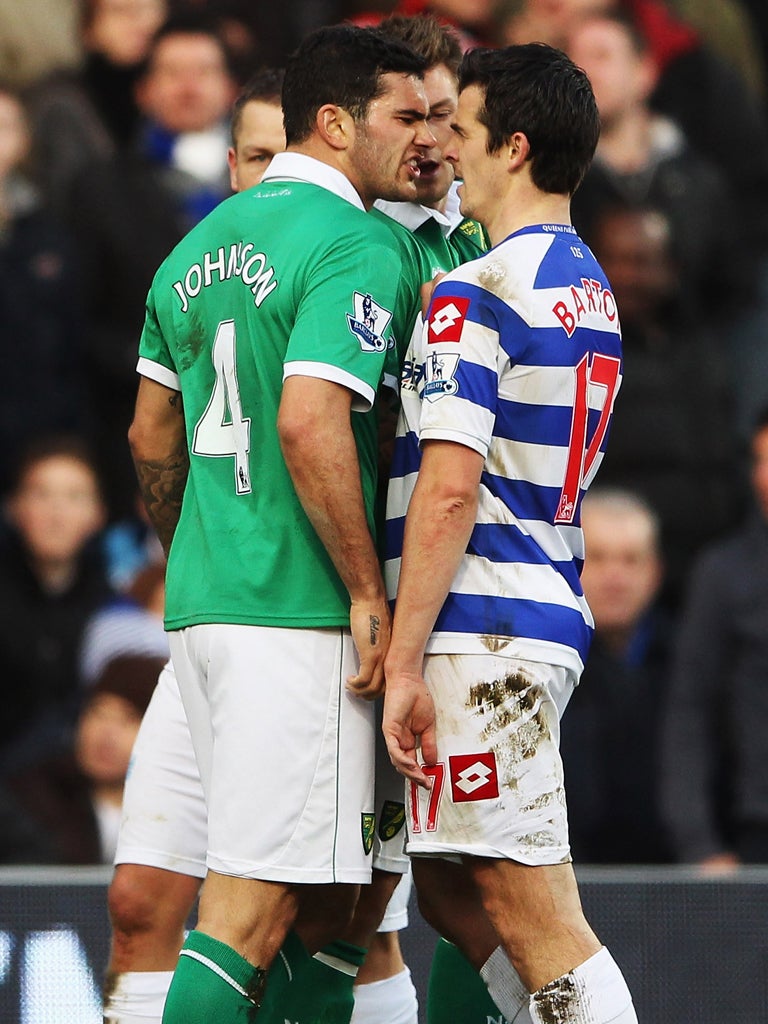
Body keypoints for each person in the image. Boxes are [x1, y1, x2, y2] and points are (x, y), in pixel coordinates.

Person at [127, 23, 433, 1024]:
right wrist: (361, 584)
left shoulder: (193, 245)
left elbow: (149, 431)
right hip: (298, 617)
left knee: (339, 904)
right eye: (404, 115)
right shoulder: (360, 241)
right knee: (251, 912)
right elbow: (310, 417)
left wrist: (193, 546)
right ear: (339, 125)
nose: (422, 138)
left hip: (208, 602)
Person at [382, 42, 637, 1024]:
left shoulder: (475, 289)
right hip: (536, 608)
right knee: (450, 888)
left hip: (480, 628)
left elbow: (448, 490)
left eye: (465, 129)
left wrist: (402, 659)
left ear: (515, 148)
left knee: (537, 908)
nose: (446, 145)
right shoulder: (589, 286)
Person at [66, 14, 239, 522]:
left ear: (230, 86)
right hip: (136, 425)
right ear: (142, 90)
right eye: (171, 72)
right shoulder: (99, 190)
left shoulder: (264, 181)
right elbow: (80, 322)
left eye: (202, 70)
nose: (188, 86)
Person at [660, 406, 768, 869]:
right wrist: (699, 843)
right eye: (760, 461)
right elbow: (690, 712)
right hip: (756, 830)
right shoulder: (723, 574)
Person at [560, 487, 674, 864]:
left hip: (670, 870)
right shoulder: (545, 663)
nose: (615, 577)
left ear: (655, 572)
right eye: (601, 558)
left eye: (630, 560)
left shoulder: (686, 659)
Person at [0, 435, 111, 774]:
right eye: (41, 494)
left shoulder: (114, 610)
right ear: (14, 508)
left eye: (75, 497)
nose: (57, 513)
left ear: (98, 514)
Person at [5, 654, 164, 864]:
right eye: (98, 713)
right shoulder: (32, 800)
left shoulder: (185, 812)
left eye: (128, 718)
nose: (106, 734)